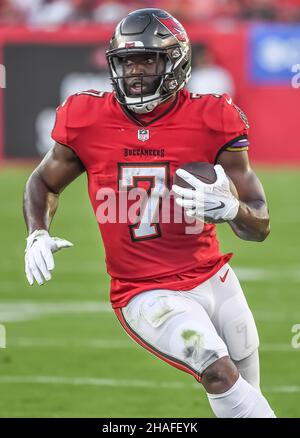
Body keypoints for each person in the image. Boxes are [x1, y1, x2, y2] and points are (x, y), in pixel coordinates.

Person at [23, 8, 276, 418]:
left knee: (246, 389)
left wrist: (232, 209)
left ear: (175, 63)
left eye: (147, 60)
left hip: (214, 277)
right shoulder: (85, 117)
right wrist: (37, 232)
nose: (135, 73)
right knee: (217, 369)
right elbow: (43, 182)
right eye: (126, 62)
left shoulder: (214, 117)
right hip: (145, 290)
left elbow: (260, 224)